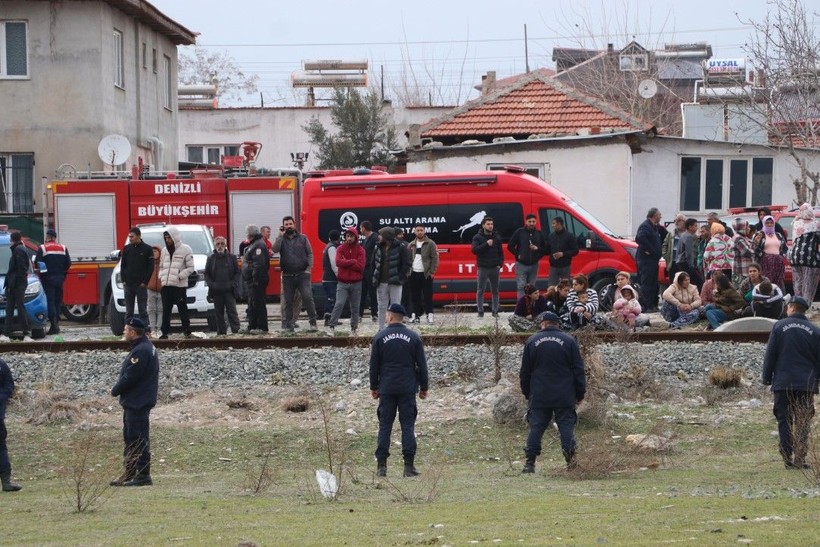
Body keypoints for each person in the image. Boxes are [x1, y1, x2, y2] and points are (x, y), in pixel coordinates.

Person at [520, 311, 586, 473]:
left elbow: (525, 372)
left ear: (543, 323)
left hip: (540, 393)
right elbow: (578, 370)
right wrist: (580, 393)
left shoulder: (532, 341)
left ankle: (529, 464)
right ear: (558, 324)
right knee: (566, 427)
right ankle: (571, 463)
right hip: (564, 393)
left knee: (536, 427)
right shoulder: (569, 341)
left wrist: (527, 392)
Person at [369, 303, 429, 478]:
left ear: (390, 316)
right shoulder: (413, 337)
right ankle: (408, 467)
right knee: (408, 426)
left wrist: (374, 386)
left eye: (387, 314)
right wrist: (424, 387)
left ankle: (381, 467)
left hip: (386, 388)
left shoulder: (379, 337)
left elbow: (374, 366)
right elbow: (422, 366)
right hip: (407, 387)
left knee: (385, 426)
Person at [762, 296, 820, 469]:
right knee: (803, 420)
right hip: (806, 383)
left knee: (784, 420)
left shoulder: (779, 327)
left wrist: (766, 377)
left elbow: (771, 354)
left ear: (792, 308)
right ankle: (800, 458)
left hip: (783, 382)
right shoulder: (815, 330)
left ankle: (787, 457)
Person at [110, 318, 159, 487]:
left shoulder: (141, 351)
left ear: (133, 332)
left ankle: (142, 474)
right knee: (131, 437)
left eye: (125, 330)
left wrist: (115, 390)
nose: (123, 333)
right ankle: (130, 472)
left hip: (138, 401)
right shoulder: (143, 347)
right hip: (136, 401)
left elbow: (131, 376)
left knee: (137, 438)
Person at [272, 216, 318, 332]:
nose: (288, 226)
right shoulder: (281, 239)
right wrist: (279, 236)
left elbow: (310, 254)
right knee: (288, 300)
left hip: (302, 274)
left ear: (294, 224)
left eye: (290, 224)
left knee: (307, 297)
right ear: (283, 226)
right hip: (287, 276)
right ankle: (289, 325)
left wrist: (308, 269)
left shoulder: (303, 238)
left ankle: (313, 322)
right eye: (286, 224)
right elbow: (275, 249)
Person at [327, 227, 366, 334]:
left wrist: (347, 262)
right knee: (339, 304)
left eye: (351, 236)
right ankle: (332, 326)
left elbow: (361, 266)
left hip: (356, 282)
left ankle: (354, 328)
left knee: (355, 307)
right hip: (342, 282)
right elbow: (338, 262)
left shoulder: (361, 250)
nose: (349, 238)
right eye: (347, 236)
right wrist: (353, 261)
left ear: (356, 237)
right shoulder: (340, 248)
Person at [158, 227, 194, 339]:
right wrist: (161, 277)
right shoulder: (164, 250)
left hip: (179, 286)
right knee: (166, 310)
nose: (167, 240)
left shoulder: (186, 249)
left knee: (182, 309)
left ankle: (187, 331)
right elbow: (161, 266)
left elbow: (191, 268)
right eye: (166, 237)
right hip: (166, 285)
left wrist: (179, 276)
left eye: (169, 237)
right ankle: (164, 333)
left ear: (175, 237)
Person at [372, 227, 410, 330]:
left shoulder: (401, 247)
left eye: (380, 235)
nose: (378, 237)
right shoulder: (378, 247)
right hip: (381, 282)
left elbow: (406, 264)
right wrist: (374, 277)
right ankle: (381, 328)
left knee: (396, 305)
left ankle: (395, 328)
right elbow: (373, 263)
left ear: (386, 236)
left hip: (395, 282)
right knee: (381, 306)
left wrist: (400, 277)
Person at [35, 228, 71, 335]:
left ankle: (53, 325)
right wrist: (62, 272)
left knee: (50, 301)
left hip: (47, 279)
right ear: (55, 237)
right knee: (57, 300)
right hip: (60, 278)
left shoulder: (43, 247)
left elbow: (38, 263)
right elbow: (68, 263)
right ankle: (57, 324)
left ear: (48, 237)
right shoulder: (63, 248)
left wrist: (43, 273)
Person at [119, 227, 154, 334]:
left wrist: (145, 282)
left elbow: (150, 267)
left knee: (142, 310)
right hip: (128, 285)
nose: (130, 238)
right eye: (129, 236)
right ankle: (127, 332)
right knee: (129, 311)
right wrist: (124, 281)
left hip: (141, 285)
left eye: (132, 236)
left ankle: (143, 331)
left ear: (138, 236)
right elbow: (123, 266)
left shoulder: (147, 249)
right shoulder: (127, 249)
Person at [205, 236, 241, 335]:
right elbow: (207, 273)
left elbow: (237, 272)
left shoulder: (232, 257)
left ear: (225, 245)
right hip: (216, 291)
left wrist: (233, 283)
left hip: (229, 291)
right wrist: (211, 285)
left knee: (232, 312)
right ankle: (221, 333)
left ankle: (236, 332)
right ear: (215, 245)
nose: (220, 246)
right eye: (218, 244)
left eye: (222, 244)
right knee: (219, 314)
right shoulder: (211, 258)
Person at [1, 232, 32, 342]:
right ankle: (8, 333)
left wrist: (12, 284)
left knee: (15, 308)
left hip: (16, 285)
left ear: (12, 239)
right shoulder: (21, 248)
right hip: (17, 284)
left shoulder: (18, 250)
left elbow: (20, 269)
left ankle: (24, 334)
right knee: (12, 308)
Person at [508, 214, 548, 297]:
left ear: (536, 222)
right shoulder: (519, 232)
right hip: (521, 264)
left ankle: (530, 307)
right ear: (526, 222)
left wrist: (537, 252)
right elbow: (510, 246)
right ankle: (521, 306)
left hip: (534, 265)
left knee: (531, 287)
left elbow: (545, 249)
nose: (531, 223)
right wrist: (518, 254)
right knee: (521, 286)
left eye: (533, 221)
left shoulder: (539, 233)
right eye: (529, 221)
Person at [471, 216, 503, 317]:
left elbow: (501, 253)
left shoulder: (497, 237)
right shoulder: (477, 237)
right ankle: (480, 311)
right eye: (488, 224)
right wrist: (486, 244)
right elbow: (474, 250)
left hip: (494, 268)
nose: (490, 226)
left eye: (491, 224)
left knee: (495, 291)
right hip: (483, 267)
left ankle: (495, 311)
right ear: (483, 225)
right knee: (480, 290)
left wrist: (499, 264)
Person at [787, 203, 820, 302]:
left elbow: (793, 241)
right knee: (808, 284)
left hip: (795, 259)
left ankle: (798, 304)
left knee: (798, 283)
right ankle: (805, 305)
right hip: (809, 260)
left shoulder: (796, 222)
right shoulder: (816, 225)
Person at [408, 225, 439, 324]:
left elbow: (435, 258)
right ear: (414, 232)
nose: (420, 232)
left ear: (424, 231)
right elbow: (408, 260)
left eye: (421, 230)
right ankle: (415, 315)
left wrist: (432, 272)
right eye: (418, 230)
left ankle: (429, 315)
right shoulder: (411, 245)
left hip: (426, 274)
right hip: (414, 274)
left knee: (427, 296)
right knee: (414, 296)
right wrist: (408, 272)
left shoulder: (430, 243)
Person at [242, 224, 270, 333]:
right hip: (252, 280)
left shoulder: (258, 245)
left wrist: (255, 279)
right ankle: (252, 326)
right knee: (252, 303)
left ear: (250, 234)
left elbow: (259, 265)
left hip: (257, 280)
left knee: (258, 303)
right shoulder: (255, 244)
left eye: (247, 233)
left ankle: (262, 327)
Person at [635, 208, 663, 312]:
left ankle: (652, 305)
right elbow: (640, 238)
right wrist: (649, 250)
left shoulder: (654, 227)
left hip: (652, 260)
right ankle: (645, 306)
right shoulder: (645, 226)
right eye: (659, 215)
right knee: (646, 284)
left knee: (653, 283)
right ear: (654, 215)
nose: (661, 217)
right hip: (646, 261)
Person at [0, 358, 22, 492]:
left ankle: (6, 482)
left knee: (1, 447)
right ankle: (6, 482)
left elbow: (9, 385)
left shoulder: (1, 365)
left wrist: (1, 397)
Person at [753, 215, 788, 292]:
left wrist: (781, 257)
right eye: (767, 223)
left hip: (778, 264)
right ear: (764, 224)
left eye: (771, 223)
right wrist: (764, 256)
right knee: (766, 282)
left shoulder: (779, 235)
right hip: (764, 264)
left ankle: (778, 298)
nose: (769, 224)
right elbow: (754, 247)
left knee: (778, 282)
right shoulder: (760, 235)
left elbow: (785, 248)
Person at [547, 217, 579, 287]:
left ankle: (566, 298)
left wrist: (563, 254)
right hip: (553, 266)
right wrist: (537, 248)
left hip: (565, 266)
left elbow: (575, 251)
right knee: (551, 287)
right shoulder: (551, 236)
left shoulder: (569, 236)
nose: (552, 225)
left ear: (559, 224)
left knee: (565, 287)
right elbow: (547, 249)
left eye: (554, 223)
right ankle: (553, 298)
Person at [675, 218, 703, 290]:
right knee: (699, 282)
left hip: (680, 261)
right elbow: (689, 253)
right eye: (695, 226)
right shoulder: (689, 236)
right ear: (690, 227)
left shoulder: (683, 235)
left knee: (686, 282)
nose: (697, 228)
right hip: (686, 263)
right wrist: (691, 265)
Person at [359, 221, 379, 322]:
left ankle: (374, 314)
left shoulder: (375, 238)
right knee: (362, 293)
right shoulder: (365, 239)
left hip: (372, 269)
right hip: (364, 270)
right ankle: (359, 314)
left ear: (364, 228)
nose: (360, 230)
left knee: (372, 293)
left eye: (361, 228)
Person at [321, 230, 341, 326]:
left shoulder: (328, 246)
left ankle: (332, 319)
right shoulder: (332, 248)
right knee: (331, 299)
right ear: (338, 238)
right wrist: (339, 276)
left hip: (327, 278)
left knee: (332, 298)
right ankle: (329, 319)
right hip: (330, 279)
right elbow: (334, 264)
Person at [661, 214, 686, 281]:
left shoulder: (688, 234)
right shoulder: (671, 234)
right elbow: (664, 245)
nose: (676, 222)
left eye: (678, 220)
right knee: (673, 283)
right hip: (673, 263)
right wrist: (666, 256)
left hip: (683, 263)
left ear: (684, 222)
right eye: (675, 220)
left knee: (683, 282)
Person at [731, 220, 755, 286]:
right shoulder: (738, 238)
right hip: (741, 270)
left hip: (746, 269)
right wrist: (756, 251)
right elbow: (747, 252)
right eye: (747, 227)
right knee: (742, 290)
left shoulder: (744, 237)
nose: (749, 229)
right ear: (742, 228)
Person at [146, 246, 163, 339]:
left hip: (161, 289)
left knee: (161, 309)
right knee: (151, 309)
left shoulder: (163, 263)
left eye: (156, 251)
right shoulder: (148, 262)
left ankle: (159, 328)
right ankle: (152, 329)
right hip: (150, 288)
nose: (154, 253)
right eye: (152, 252)